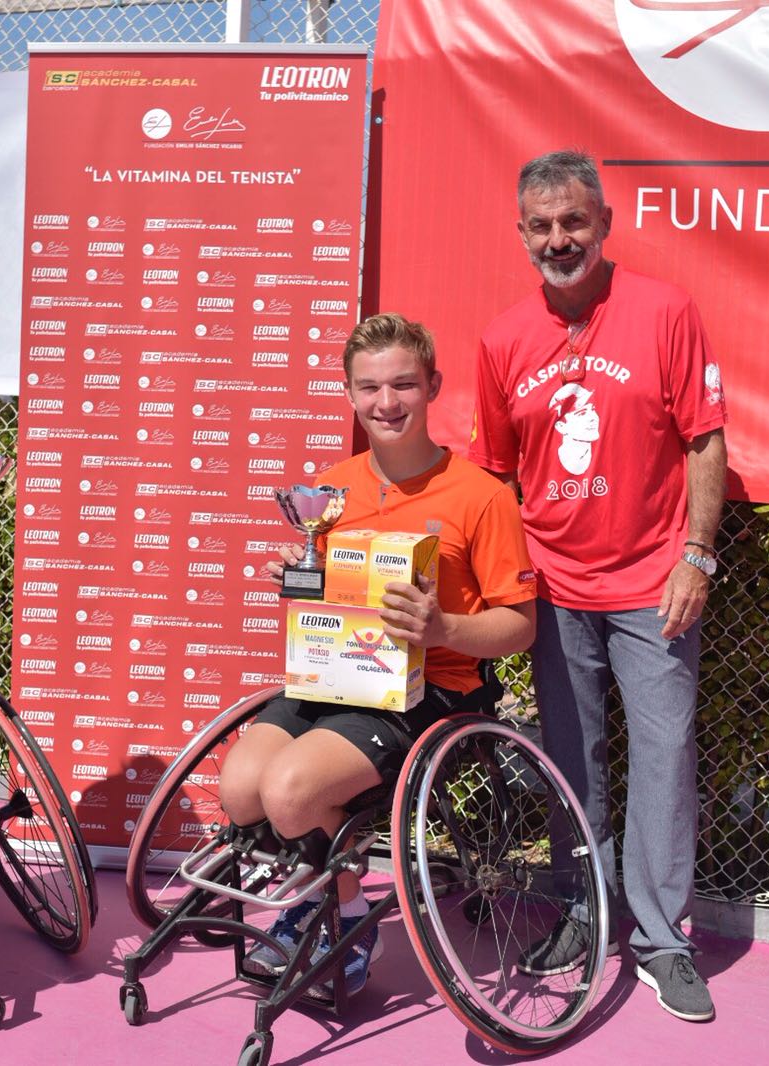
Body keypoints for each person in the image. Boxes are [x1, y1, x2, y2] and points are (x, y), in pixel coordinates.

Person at [469, 149, 728, 1022]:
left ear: (604, 224)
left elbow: (705, 439)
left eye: (574, 222)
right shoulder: (503, 337)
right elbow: (493, 476)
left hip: (654, 582)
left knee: (663, 755)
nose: (558, 239)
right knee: (571, 762)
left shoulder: (664, 310)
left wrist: (696, 555)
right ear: (521, 234)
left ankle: (659, 938)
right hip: (550, 587)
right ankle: (586, 910)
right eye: (541, 226)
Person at [218, 312, 539, 998]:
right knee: (239, 788)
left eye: (403, 385)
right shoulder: (330, 492)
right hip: (339, 676)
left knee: (289, 792)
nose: (386, 403)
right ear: (349, 394)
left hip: (429, 691)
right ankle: (342, 900)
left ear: (433, 388)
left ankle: (329, 908)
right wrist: (299, 580)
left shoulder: (482, 495)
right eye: (369, 388)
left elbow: (519, 627)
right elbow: (334, 601)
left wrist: (443, 626)